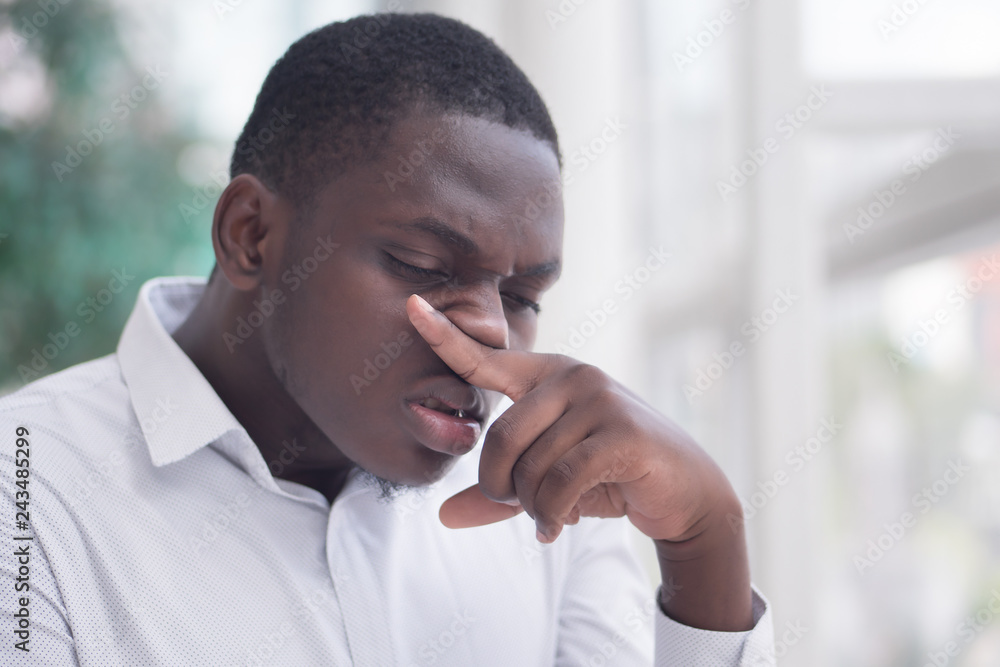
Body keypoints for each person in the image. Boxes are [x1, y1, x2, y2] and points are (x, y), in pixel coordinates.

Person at [0, 13, 774, 666]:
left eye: (522, 295)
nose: (488, 329)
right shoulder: (29, 494)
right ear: (251, 235)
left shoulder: (552, 508)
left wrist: (707, 546)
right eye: (425, 264)